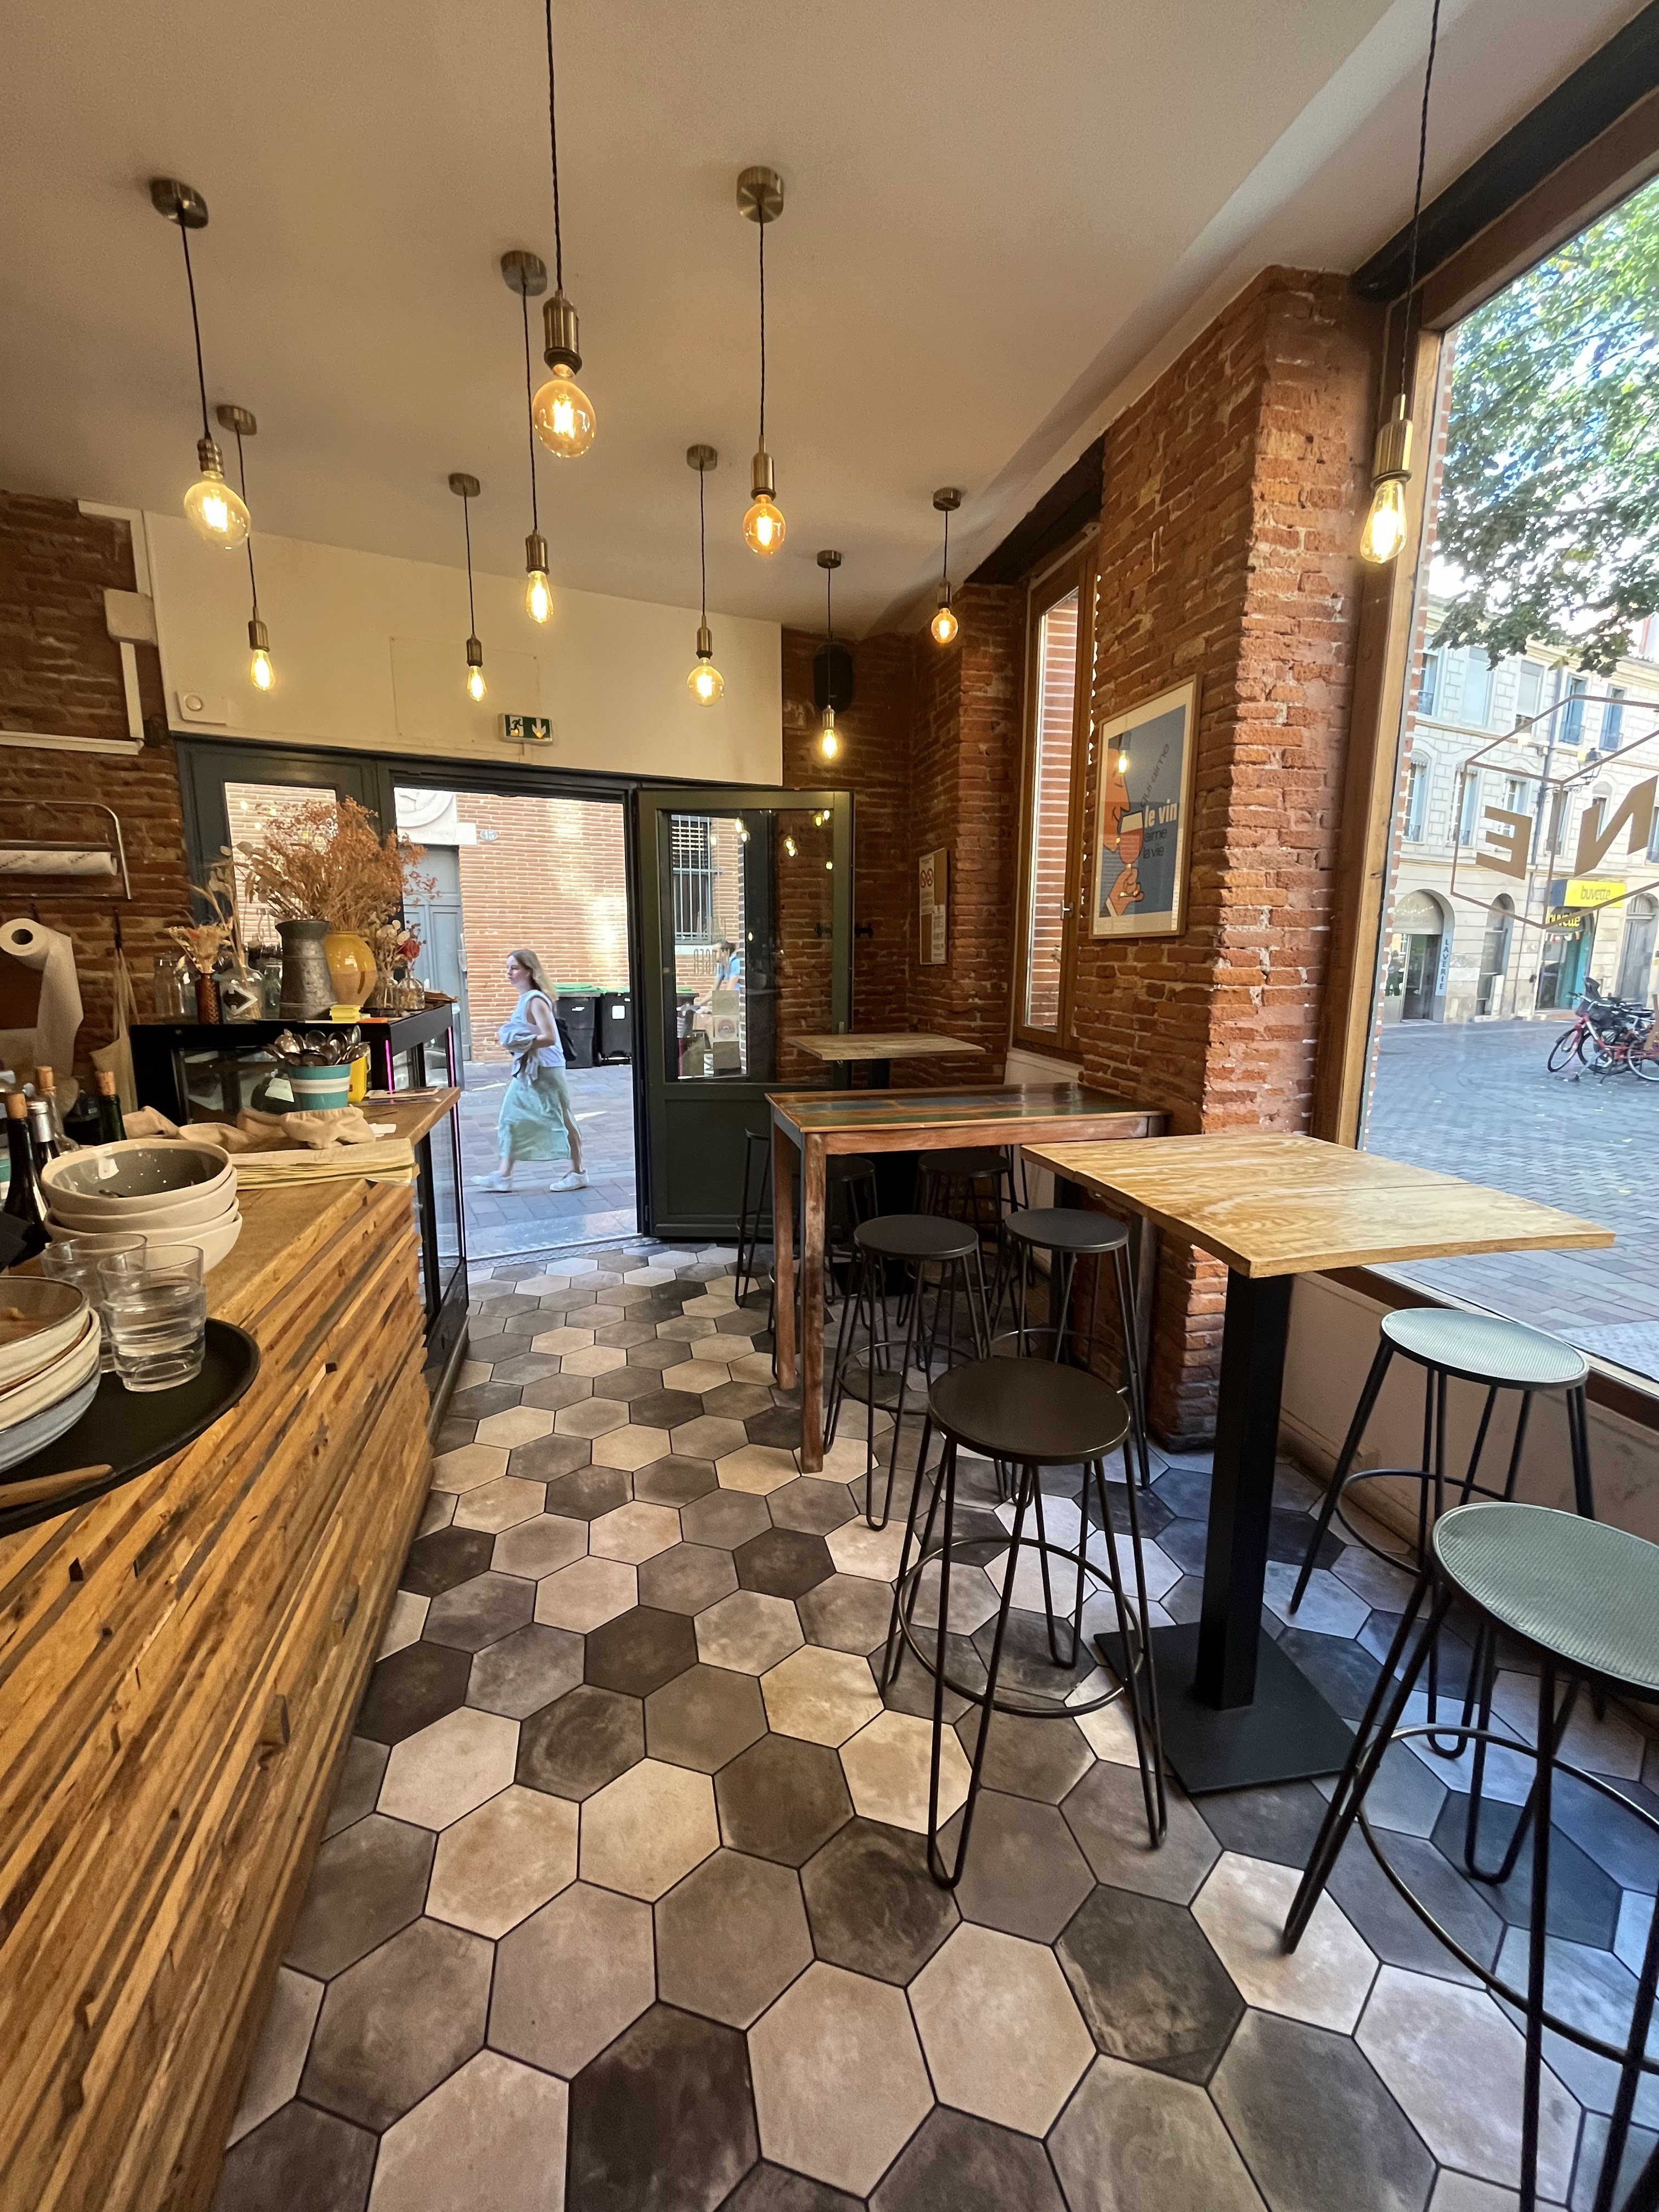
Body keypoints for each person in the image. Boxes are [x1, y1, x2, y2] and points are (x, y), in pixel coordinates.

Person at [472, 949, 587, 1193]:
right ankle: (503, 1175)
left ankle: (578, 1173)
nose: (509, 973)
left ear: (529, 971)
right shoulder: (527, 999)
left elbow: (549, 1037)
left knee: (562, 1117)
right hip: (531, 1069)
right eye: (508, 968)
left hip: (546, 1069)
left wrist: (517, 1042)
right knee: (511, 1117)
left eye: (514, 968)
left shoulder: (535, 1000)